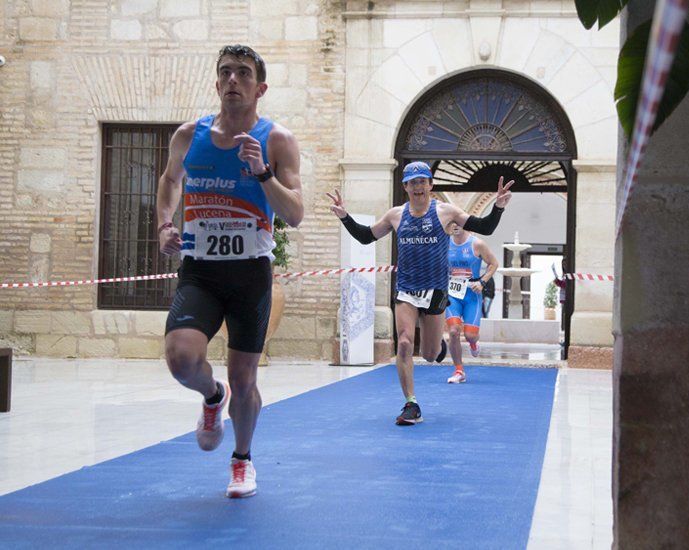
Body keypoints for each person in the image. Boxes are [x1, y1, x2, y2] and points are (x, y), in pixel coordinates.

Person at [157, 45, 303, 498]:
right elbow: (168, 181)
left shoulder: (277, 140)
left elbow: (295, 213)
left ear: (260, 88)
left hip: (249, 276)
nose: (234, 80)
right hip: (200, 271)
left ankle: (241, 460)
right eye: (226, 73)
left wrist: (262, 173)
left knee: (246, 379)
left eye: (243, 73)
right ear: (216, 83)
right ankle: (210, 396)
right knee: (181, 359)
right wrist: (165, 223)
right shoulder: (188, 135)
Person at [327, 161, 512, 425]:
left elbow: (485, 227)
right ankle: (411, 404)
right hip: (407, 289)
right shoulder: (396, 215)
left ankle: (439, 346)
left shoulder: (445, 212)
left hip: (436, 290)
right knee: (403, 342)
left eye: (423, 182)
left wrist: (499, 207)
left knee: (428, 354)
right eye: (413, 183)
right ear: (405, 187)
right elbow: (366, 236)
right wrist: (345, 216)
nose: (418, 187)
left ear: (430, 185)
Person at [444, 221, 498, 384]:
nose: (455, 226)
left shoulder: (477, 244)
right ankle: (459, 371)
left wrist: (482, 282)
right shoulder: (445, 243)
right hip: (452, 295)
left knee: (470, 335)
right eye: (452, 223)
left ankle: (473, 343)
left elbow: (494, 263)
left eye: (458, 223)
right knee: (453, 331)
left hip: (472, 295)